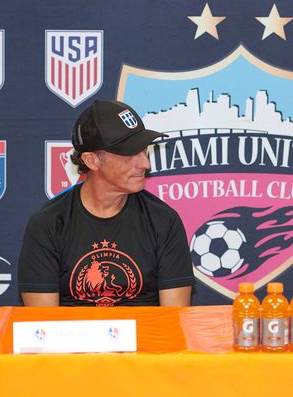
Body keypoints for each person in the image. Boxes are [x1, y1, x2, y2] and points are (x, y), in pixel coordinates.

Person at [18, 100, 194, 306]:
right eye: (130, 153)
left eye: (144, 150)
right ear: (92, 160)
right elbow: (42, 326)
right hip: (69, 338)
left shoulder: (164, 221)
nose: (145, 163)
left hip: (147, 337)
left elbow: (173, 320)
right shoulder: (48, 224)